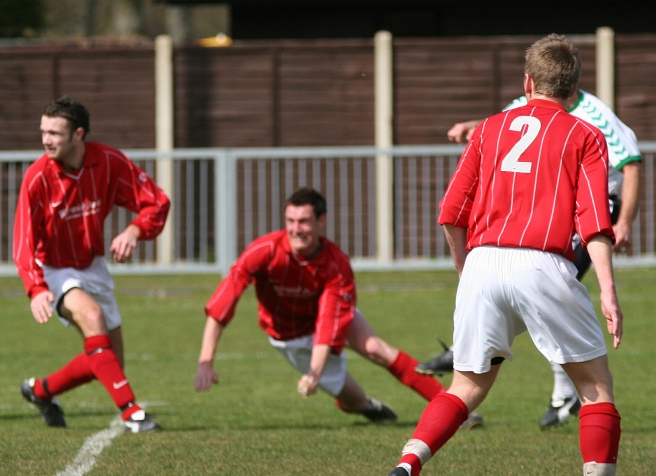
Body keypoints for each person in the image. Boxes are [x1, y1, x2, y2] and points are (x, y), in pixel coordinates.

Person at [370, 34, 636, 476]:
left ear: (527, 82)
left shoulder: (489, 130)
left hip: (484, 263)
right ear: (574, 85)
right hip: (543, 264)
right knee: (595, 387)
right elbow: (596, 222)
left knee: (466, 387)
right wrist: (606, 288)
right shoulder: (585, 134)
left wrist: (465, 269)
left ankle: (407, 464)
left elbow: (450, 213)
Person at [417, 78, 642, 431]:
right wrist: (472, 126)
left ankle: (557, 388)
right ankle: (562, 390)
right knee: (550, 299)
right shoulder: (526, 106)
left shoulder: (595, 116)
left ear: (532, 80)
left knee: (554, 295)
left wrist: (624, 219)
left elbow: (630, 162)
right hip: (552, 224)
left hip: (592, 212)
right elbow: (513, 126)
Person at [194, 187, 482, 428]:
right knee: (352, 400)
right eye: (290, 221)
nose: (296, 229)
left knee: (376, 349)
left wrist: (314, 374)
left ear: (322, 221)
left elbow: (329, 325)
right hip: (290, 337)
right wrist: (206, 360)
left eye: (304, 221)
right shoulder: (265, 251)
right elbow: (224, 301)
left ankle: (455, 411)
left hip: (324, 325)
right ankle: (366, 405)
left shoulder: (336, 265)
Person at [14, 96, 170, 433]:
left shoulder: (109, 162)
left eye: (55, 133)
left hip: (93, 265)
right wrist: (36, 288)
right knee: (93, 318)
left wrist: (134, 229)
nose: (46, 140)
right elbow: (23, 242)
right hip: (55, 268)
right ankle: (133, 414)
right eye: (43, 132)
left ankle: (41, 391)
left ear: (78, 135)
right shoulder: (37, 177)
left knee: (109, 361)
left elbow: (157, 203)